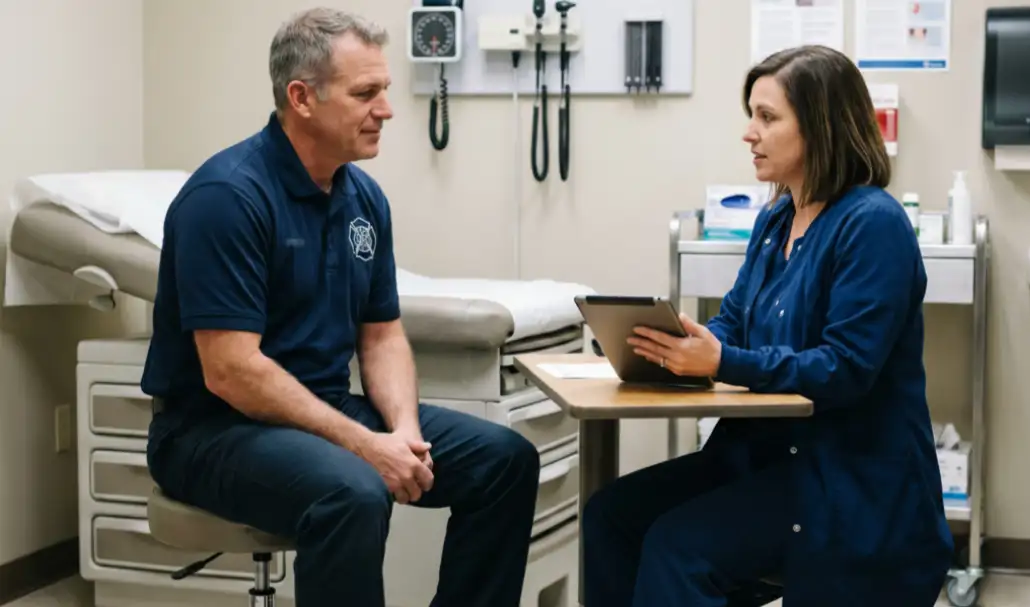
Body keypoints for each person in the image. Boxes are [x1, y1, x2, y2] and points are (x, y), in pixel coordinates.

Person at [140, 8, 540, 607]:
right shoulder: (227, 198)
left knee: (505, 461)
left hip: (323, 409)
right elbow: (231, 371)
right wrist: (363, 444)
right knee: (353, 489)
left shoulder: (362, 197)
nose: (386, 109)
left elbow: (381, 336)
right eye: (366, 93)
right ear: (301, 97)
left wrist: (402, 431)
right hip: (210, 430)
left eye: (384, 90)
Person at [581, 45, 954, 606]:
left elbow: (844, 367)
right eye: (750, 115)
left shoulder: (874, 225)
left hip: (844, 479)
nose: (748, 133)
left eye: (767, 117)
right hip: (763, 458)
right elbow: (735, 319)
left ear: (822, 126)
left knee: (676, 548)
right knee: (611, 515)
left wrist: (721, 362)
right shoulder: (777, 216)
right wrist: (676, 345)